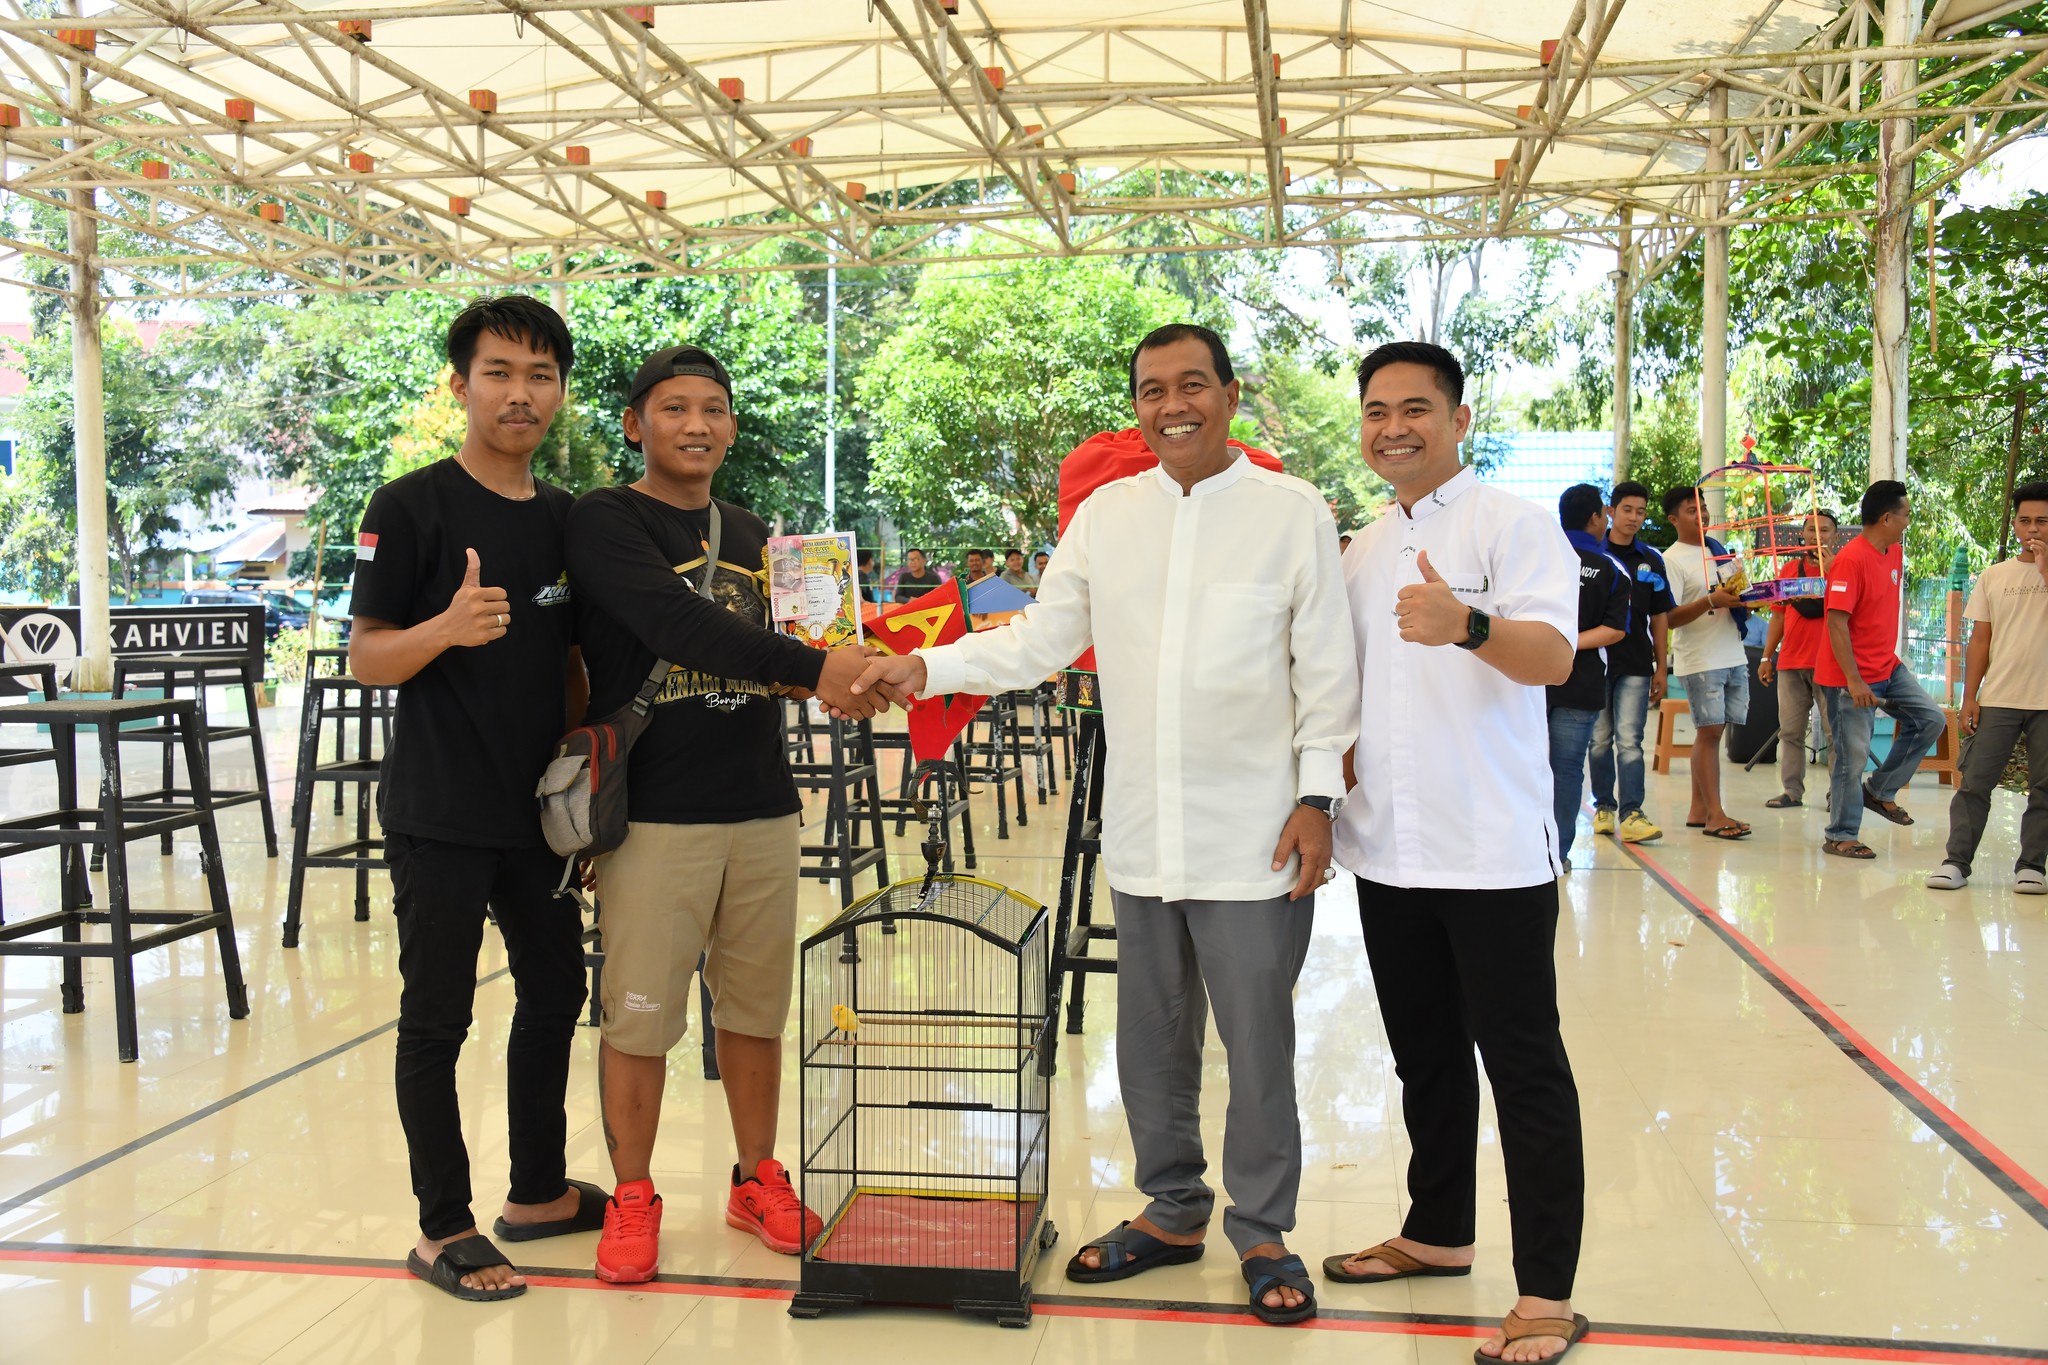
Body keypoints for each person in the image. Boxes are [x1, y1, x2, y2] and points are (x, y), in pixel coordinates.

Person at [844, 323, 1358, 1327]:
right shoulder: (1106, 516)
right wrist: (928, 668)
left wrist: (1315, 800)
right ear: (1136, 405)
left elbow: (1325, 670)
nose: (1174, 404)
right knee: (1149, 1038)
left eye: (1192, 385)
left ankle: (1261, 1231)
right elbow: (1041, 640)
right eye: (1153, 389)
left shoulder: (1289, 512)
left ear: (1228, 393)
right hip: (1143, 827)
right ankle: (1170, 1211)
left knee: (1255, 1041)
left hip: (1256, 830)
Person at [563, 346, 888, 1284]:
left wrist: (843, 670)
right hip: (654, 812)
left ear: (732, 427)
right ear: (637, 423)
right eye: (674, 408)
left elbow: (795, 649)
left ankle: (755, 1175)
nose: (696, 424)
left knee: (753, 1008)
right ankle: (632, 1192)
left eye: (713, 408)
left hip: (759, 803)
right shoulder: (605, 519)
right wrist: (817, 668)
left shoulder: (753, 532)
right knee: (639, 1015)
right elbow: (680, 626)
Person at [1324, 341, 1587, 1365]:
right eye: (1377, 410)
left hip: (1489, 853)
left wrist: (1465, 622)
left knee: (1522, 1067)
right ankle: (1435, 1232)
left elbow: (1553, 658)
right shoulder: (1357, 546)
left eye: (1415, 408)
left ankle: (1544, 1293)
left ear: (1458, 417)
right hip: (1387, 849)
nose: (1393, 426)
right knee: (1422, 1056)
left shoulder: (1512, 527)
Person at [348, 296, 602, 1303]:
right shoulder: (408, 506)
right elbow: (367, 658)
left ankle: (535, 1193)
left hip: (538, 818)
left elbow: (575, 665)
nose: (520, 394)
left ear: (560, 394)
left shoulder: (567, 520)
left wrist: (587, 796)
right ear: (460, 385)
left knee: (555, 993)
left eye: (540, 376)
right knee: (437, 1019)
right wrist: (443, 629)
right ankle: (441, 1225)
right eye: (498, 373)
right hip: (439, 812)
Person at [1816, 480, 1947, 859]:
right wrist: (1854, 680)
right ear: (1887, 517)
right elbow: (1836, 623)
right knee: (1851, 758)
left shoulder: (1893, 552)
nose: (1908, 521)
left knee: (1931, 720)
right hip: (1849, 677)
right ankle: (1840, 834)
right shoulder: (1851, 560)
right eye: (1905, 514)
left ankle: (1880, 790)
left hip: (1887, 667)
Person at [1929, 482, 2048, 892]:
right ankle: (1955, 863)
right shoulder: (1995, 576)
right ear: (2015, 524)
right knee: (1975, 782)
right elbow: (1980, 639)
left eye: (2043, 521)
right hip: (1999, 697)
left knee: (2043, 788)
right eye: (2026, 520)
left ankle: (2032, 866)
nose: (2033, 528)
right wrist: (1969, 697)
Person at [1660, 486, 1751, 840]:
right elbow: (1668, 616)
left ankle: (1699, 809)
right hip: (1700, 657)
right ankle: (1715, 814)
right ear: (1673, 519)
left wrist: (1748, 597)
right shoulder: (1672, 559)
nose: (1702, 515)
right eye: (1691, 510)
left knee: (1715, 731)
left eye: (1703, 508)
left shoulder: (1720, 553)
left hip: (1731, 651)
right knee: (1710, 732)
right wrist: (1711, 600)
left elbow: (1738, 597)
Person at [1549, 485, 1631, 871]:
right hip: (1579, 684)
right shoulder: (1612, 569)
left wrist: (1547, 644)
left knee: (1518, 762)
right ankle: (1556, 854)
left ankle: (1520, 849)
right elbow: (1615, 630)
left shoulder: (1539, 558)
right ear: (1597, 518)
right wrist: (1570, 643)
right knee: (1566, 770)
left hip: (1523, 681)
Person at [1588, 482, 1672, 844]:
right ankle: (1604, 806)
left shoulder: (1651, 560)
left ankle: (1632, 812)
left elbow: (1660, 616)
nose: (1634, 518)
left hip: (1637, 663)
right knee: (1599, 739)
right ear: (1610, 511)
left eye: (1640, 511)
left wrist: (1662, 666)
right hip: (1597, 660)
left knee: (1630, 740)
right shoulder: (1590, 555)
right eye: (1627, 510)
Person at [1757, 511, 1838, 808]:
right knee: (1789, 731)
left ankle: (1838, 794)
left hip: (1831, 663)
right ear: (1801, 535)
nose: (1818, 536)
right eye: (1811, 530)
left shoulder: (1844, 568)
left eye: (1825, 530)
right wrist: (1767, 656)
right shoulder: (1790, 569)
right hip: (1791, 662)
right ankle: (1792, 792)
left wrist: (1832, 571)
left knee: (1835, 732)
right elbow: (1778, 615)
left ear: (1835, 536)